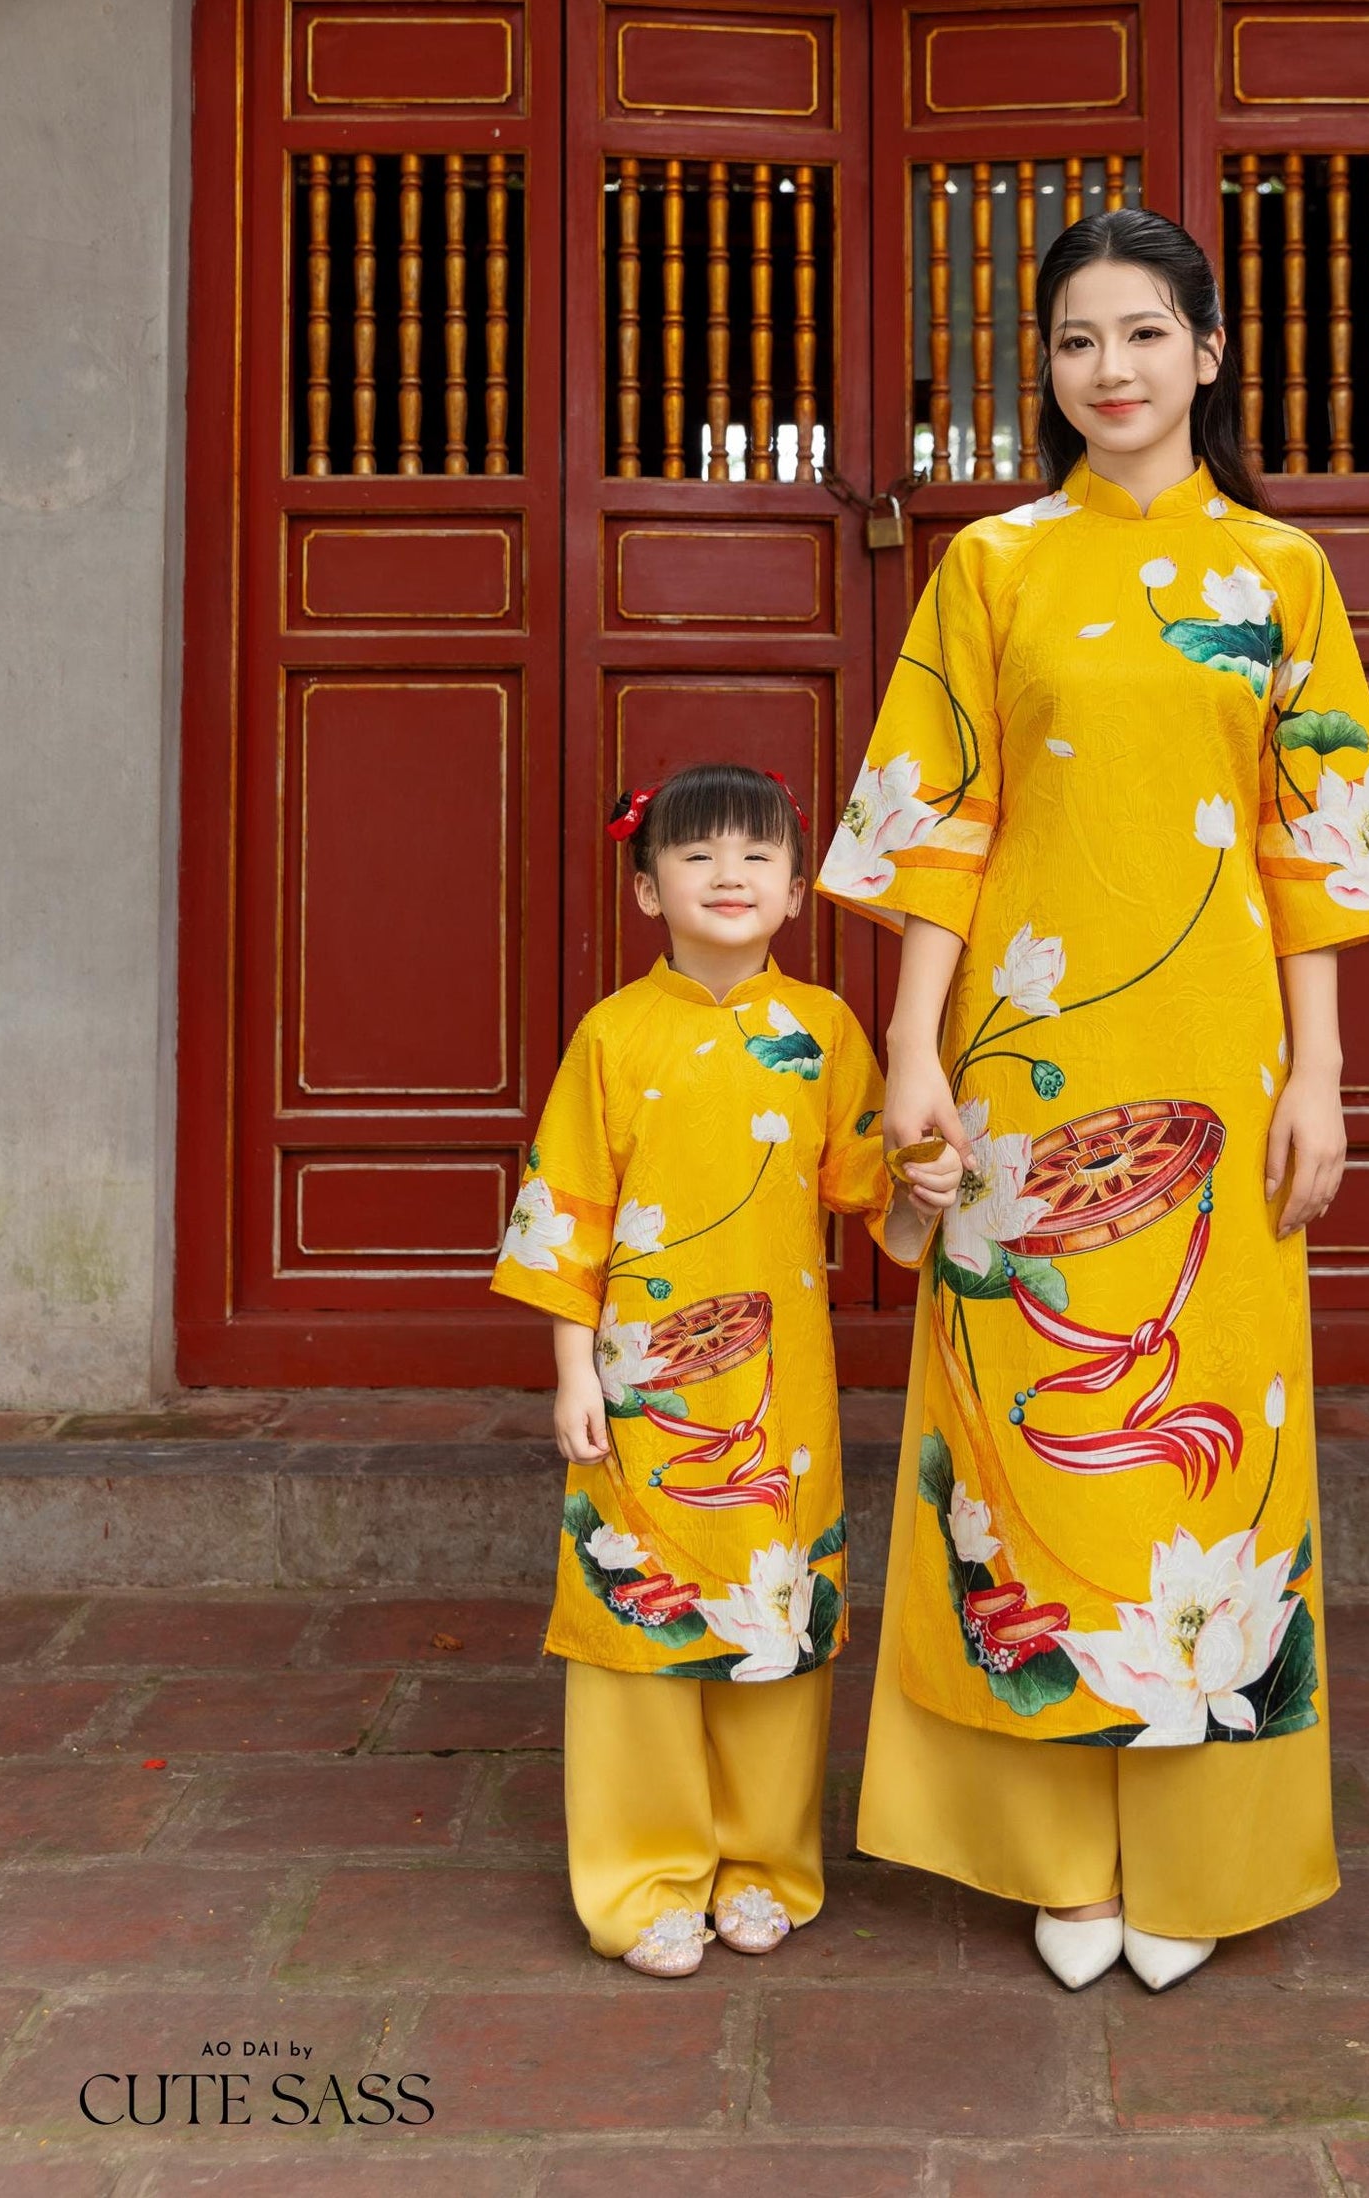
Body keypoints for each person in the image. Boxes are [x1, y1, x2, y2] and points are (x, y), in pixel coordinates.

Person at [819, 207, 1369, 1992]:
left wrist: (1320, 1075)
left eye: (1145, 332)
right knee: (1027, 1447)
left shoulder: (1283, 573)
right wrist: (915, 1049)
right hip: (1025, 1062)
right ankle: (1044, 1851)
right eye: (1078, 338)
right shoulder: (990, 566)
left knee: (1212, 1450)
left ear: (1209, 352)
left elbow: (1315, 847)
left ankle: (1197, 1855)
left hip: (1217, 1058)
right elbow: (942, 828)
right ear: (1051, 369)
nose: (1112, 368)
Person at [491, 761, 960, 1978]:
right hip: (639, 1384)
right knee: (633, 1622)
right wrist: (571, 1369)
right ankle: (644, 1878)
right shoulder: (611, 1035)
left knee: (776, 1617)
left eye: (758, 855)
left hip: (776, 1392)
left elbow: (880, 1216)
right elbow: (566, 1214)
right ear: (646, 889)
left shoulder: (824, 1033)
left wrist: (927, 1194)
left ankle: (764, 1864)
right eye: (696, 856)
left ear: (798, 887)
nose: (729, 874)